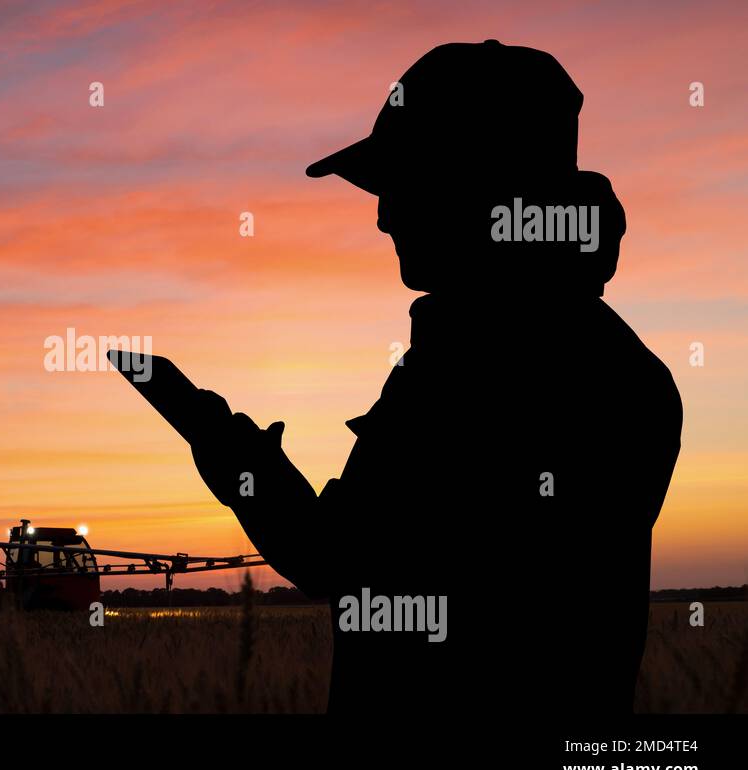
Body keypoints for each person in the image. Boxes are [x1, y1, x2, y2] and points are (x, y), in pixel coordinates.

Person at [190, 40, 682, 713]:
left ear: (475, 187)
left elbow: (348, 563)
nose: (383, 215)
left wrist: (236, 464)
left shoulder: (485, 369)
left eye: (404, 185)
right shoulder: (600, 361)